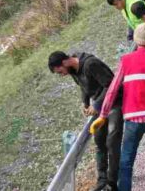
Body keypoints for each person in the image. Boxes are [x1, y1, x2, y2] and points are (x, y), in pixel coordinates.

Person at [89, 24, 145, 191]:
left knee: (127, 161)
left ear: (136, 40)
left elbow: (112, 90)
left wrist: (103, 115)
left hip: (133, 120)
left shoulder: (126, 61)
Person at [49, 51, 123, 191]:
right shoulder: (74, 70)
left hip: (115, 103)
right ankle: (102, 179)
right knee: (100, 142)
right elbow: (83, 86)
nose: (62, 74)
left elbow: (111, 85)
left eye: (60, 71)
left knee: (112, 142)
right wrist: (85, 103)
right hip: (100, 108)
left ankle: (112, 184)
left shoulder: (91, 64)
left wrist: (96, 104)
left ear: (65, 62)